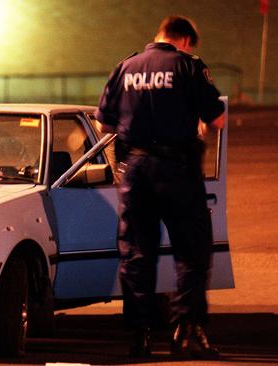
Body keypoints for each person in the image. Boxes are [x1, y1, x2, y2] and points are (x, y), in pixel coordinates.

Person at [95, 15, 225, 359]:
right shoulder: (188, 66)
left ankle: (140, 337)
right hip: (177, 169)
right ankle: (187, 334)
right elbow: (218, 118)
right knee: (192, 254)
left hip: (135, 171)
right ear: (183, 40)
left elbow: (104, 120)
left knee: (137, 255)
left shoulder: (125, 67)